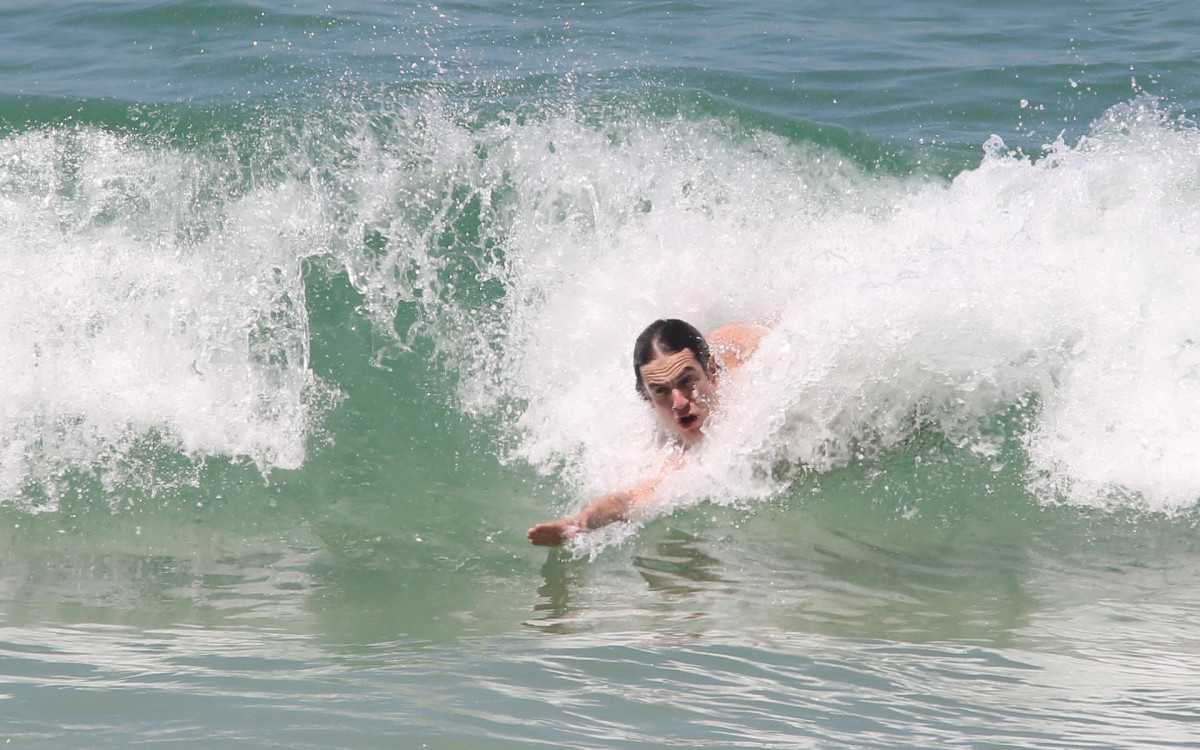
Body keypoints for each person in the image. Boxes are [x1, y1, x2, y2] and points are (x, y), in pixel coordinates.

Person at [526, 318, 768, 546]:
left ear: (711, 371)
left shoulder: (749, 365)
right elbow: (628, 500)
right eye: (661, 391)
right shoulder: (681, 457)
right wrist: (579, 523)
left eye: (687, 381)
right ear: (647, 399)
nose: (679, 403)